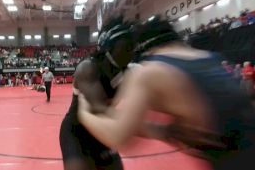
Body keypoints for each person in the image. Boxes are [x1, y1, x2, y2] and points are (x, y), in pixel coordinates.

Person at [78, 17, 255, 170]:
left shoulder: (151, 71)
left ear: (141, 47)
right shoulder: (213, 57)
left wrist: (84, 113)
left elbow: (118, 137)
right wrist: (162, 131)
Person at [60, 16, 135, 170]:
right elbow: (99, 108)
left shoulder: (127, 70)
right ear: (109, 47)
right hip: (76, 131)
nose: (132, 49)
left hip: (101, 128)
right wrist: (144, 124)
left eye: (132, 45)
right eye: (126, 45)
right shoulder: (87, 68)